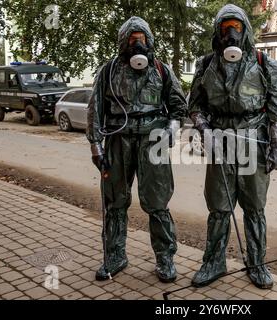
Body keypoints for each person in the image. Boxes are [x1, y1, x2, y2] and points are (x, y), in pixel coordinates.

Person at [189, 4, 277, 289]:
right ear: (218, 32)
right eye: (225, 28)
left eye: (236, 27)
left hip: (253, 143)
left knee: (254, 207)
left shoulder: (263, 63)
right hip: (220, 144)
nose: (231, 33)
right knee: (219, 208)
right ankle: (213, 263)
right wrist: (204, 129)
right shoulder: (207, 65)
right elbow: (195, 104)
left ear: (245, 30)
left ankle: (257, 264)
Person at [87, 16, 187, 282]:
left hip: (152, 142)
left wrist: (172, 131)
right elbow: (94, 109)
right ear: (123, 43)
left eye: (141, 39)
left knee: (157, 203)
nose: (137, 45)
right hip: (118, 142)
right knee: (115, 202)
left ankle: (165, 258)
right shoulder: (109, 71)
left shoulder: (161, 70)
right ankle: (115, 256)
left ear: (149, 41)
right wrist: (96, 145)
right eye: (132, 40)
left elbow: (179, 107)